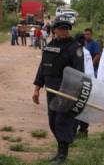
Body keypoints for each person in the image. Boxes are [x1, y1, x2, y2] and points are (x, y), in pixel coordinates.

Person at [32, 15, 84, 164]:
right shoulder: (50, 45)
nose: (63, 31)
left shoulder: (75, 47)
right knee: (52, 122)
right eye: (60, 28)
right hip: (51, 91)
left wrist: (74, 93)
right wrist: (37, 88)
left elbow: (79, 72)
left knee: (62, 122)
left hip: (66, 92)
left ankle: (63, 153)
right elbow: (43, 68)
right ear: (54, 29)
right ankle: (62, 147)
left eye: (66, 28)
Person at [73, 33, 95, 138]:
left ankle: (73, 130)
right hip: (87, 83)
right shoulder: (87, 52)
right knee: (84, 108)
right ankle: (83, 130)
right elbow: (90, 70)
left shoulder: (75, 52)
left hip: (77, 83)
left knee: (75, 107)